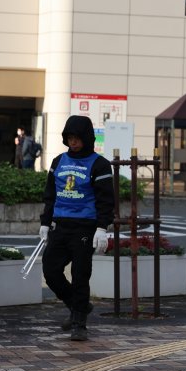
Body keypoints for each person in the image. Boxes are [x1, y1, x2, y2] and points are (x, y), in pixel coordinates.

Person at [40, 115, 115, 342]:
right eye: (70, 138)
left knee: (80, 274)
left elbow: (106, 200)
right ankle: (77, 305)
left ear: (87, 138)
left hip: (85, 227)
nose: (73, 142)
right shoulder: (57, 162)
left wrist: (102, 228)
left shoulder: (99, 164)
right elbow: (50, 195)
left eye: (77, 138)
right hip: (60, 226)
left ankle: (79, 323)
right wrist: (45, 223)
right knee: (51, 271)